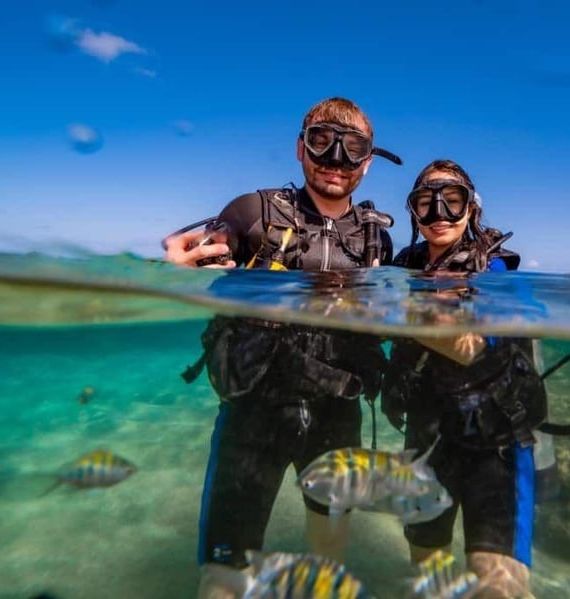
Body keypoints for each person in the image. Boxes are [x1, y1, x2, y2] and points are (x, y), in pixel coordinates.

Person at [162, 97, 401, 598]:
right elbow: (202, 250)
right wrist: (174, 268)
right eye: (321, 140)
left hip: (338, 414)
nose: (335, 157)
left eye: (351, 147)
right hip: (255, 412)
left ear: (368, 161)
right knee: (224, 575)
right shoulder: (256, 213)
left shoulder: (378, 241)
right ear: (299, 148)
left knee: (327, 558)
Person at [382, 159, 547, 598]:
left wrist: (400, 313)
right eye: (426, 202)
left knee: (498, 586)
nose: (438, 213)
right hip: (427, 436)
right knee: (429, 571)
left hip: (494, 443)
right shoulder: (401, 271)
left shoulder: (495, 273)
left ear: (471, 210)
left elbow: (472, 346)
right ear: (413, 212)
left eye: (451, 202)